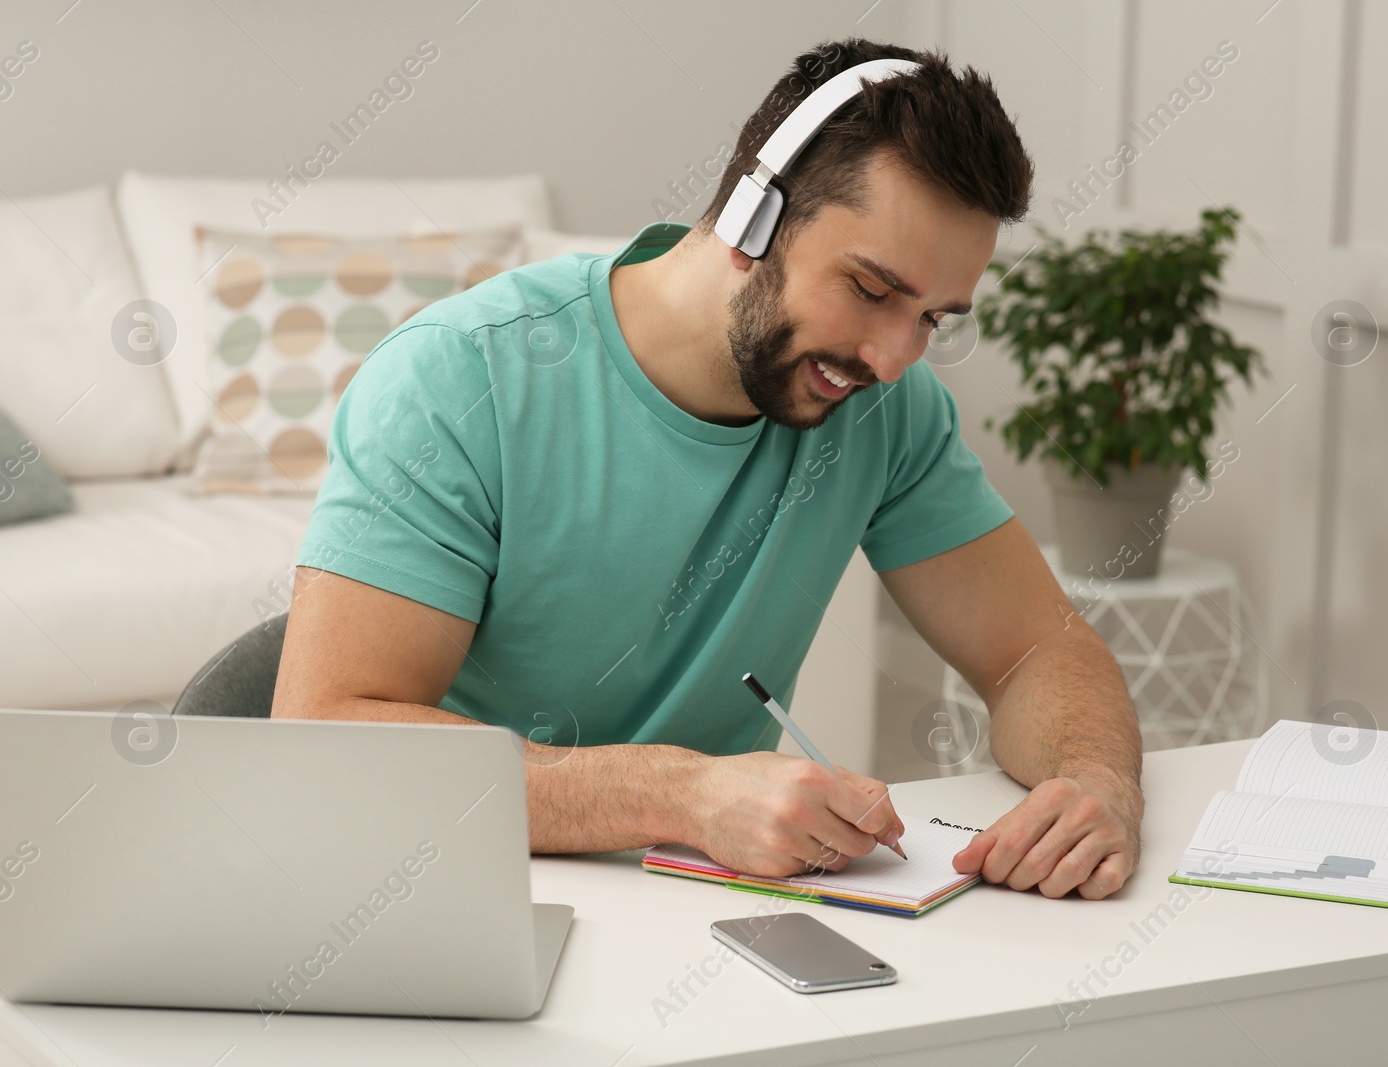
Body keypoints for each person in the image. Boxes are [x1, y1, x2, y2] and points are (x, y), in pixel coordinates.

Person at [273, 37, 1144, 901]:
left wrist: (1097, 781)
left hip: (706, 917)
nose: (891, 357)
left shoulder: (886, 408)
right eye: (872, 290)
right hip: (458, 895)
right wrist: (679, 793)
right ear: (749, 219)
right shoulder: (459, 379)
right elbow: (327, 739)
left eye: (933, 318)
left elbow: (1035, 651)